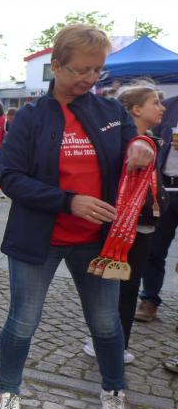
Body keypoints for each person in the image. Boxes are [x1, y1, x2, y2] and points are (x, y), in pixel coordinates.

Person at [0, 24, 155, 409]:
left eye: (97, 70)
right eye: (81, 69)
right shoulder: (30, 117)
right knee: (22, 322)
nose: (89, 78)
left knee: (106, 324)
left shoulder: (111, 112)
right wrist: (69, 201)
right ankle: (8, 392)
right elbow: (11, 178)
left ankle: (113, 389)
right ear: (56, 65)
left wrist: (143, 147)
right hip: (39, 239)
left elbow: (135, 149)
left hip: (97, 242)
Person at [79, 82, 167, 365]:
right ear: (137, 109)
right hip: (124, 225)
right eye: (155, 103)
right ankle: (108, 343)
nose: (162, 108)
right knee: (118, 286)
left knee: (127, 286)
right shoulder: (127, 145)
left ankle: (116, 342)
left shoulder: (149, 141)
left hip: (142, 223)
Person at [134, 94, 178, 323]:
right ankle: (149, 298)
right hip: (165, 188)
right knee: (154, 248)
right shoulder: (168, 106)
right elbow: (152, 138)